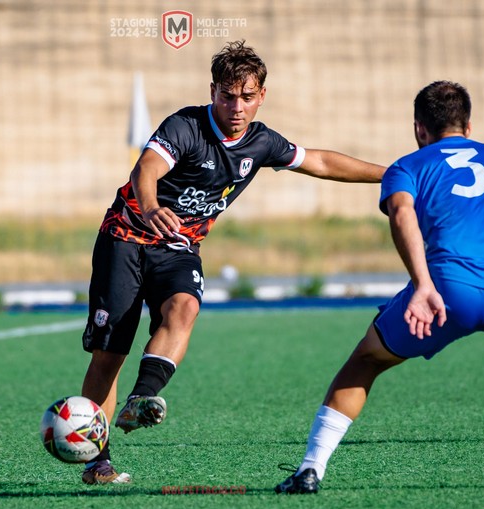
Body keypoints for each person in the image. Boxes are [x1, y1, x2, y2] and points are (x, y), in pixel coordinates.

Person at [77, 40, 385, 485]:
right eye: (226, 95)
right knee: (109, 357)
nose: (236, 106)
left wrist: (391, 173)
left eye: (246, 96)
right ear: (212, 92)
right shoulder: (185, 126)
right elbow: (144, 169)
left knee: (184, 306)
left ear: (262, 96)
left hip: (179, 248)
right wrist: (149, 206)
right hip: (125, 240)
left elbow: (318, 161)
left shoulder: (261, 142)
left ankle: (142, 398)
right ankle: (97, 461)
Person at [275, 80, 484, 494]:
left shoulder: (408, 166)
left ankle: (310, 469)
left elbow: (401, 213)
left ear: (419, 129)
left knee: (367, 360)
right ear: (468, 124)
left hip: (448, 291)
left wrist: (423, 283)